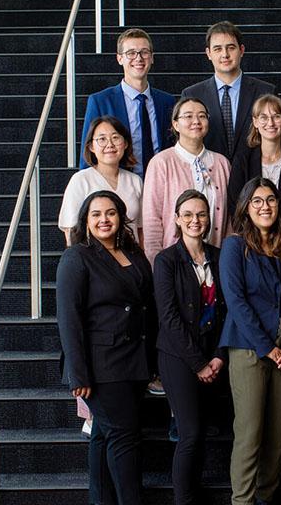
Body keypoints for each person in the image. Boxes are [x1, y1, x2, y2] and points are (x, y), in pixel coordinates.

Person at [56, 190, 156, 505]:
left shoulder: (134, 252)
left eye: (111, 213)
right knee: (125, 438)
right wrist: (78, 374)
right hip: (101, 366)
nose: (104, 220)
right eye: (96, 214)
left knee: (103, 435)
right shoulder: (77, 256)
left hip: (134, 361)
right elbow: (68, 318)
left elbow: (145, 306)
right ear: (85, 220)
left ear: (121, 217)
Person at [219, 178, 281, 505]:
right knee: (250, 433)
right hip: (249, 346)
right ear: (246, 207)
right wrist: (266, 346)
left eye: (270, 200)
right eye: (257, 201)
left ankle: (266, 497)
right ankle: (242, 500)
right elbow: (236, 301)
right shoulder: (234, 246)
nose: (265, 206)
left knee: (278, 433)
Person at [154, 190, 227, 505]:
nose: (195, 220)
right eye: (188, 214)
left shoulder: (221, 255)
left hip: (213, 354)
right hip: (178, 356)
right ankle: (184, 499)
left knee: (204, 432)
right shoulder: (166, 260)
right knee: (190, 433)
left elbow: (230, 311)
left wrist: (219, 357)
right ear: (177, 219)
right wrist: (199, 363)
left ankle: (194, 492)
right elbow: (169, 318)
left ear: (209, 219)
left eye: (201, 214)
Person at [143, 97, 231, 265]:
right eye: (188, 116)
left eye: (202, 116)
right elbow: (151, 220)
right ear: (176, 124)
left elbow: (230, 221)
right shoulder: (161, 162)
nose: (196, 121)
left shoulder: (222, 163)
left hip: (215, 260)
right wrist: (157, 266)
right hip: (173, 264)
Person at [80, 29, 177, 176]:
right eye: (131, 53)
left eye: (144, 52)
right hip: (118, 186)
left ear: (152, 58)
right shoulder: (100, 101)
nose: (138, 58)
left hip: (160, 185)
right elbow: (87, 154)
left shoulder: (167, 101)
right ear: (119, 58)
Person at [227, 94, 281, 253]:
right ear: (255, 122)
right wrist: (257, 248)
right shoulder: (242, 160)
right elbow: (236, 206)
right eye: (264, 117)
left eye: (276, 116)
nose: (271, 123)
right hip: (250, 250)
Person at [182, 21, 276, 161]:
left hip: (253, 175)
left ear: (242, 50)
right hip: (209, 173)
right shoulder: (192, 95)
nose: (225, 54)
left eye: (231, 48)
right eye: (218, 49)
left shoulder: (265, 91)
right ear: (208, 53)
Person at [60, 116, 143, 245]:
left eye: (115, 138)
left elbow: (141, 228)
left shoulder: (135, 181)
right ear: (91, 146)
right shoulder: (81, 180)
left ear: (125, 144)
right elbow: (71, 229)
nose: (110, 144)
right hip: (93, 260)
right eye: (102, 139)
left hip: (130, 257)